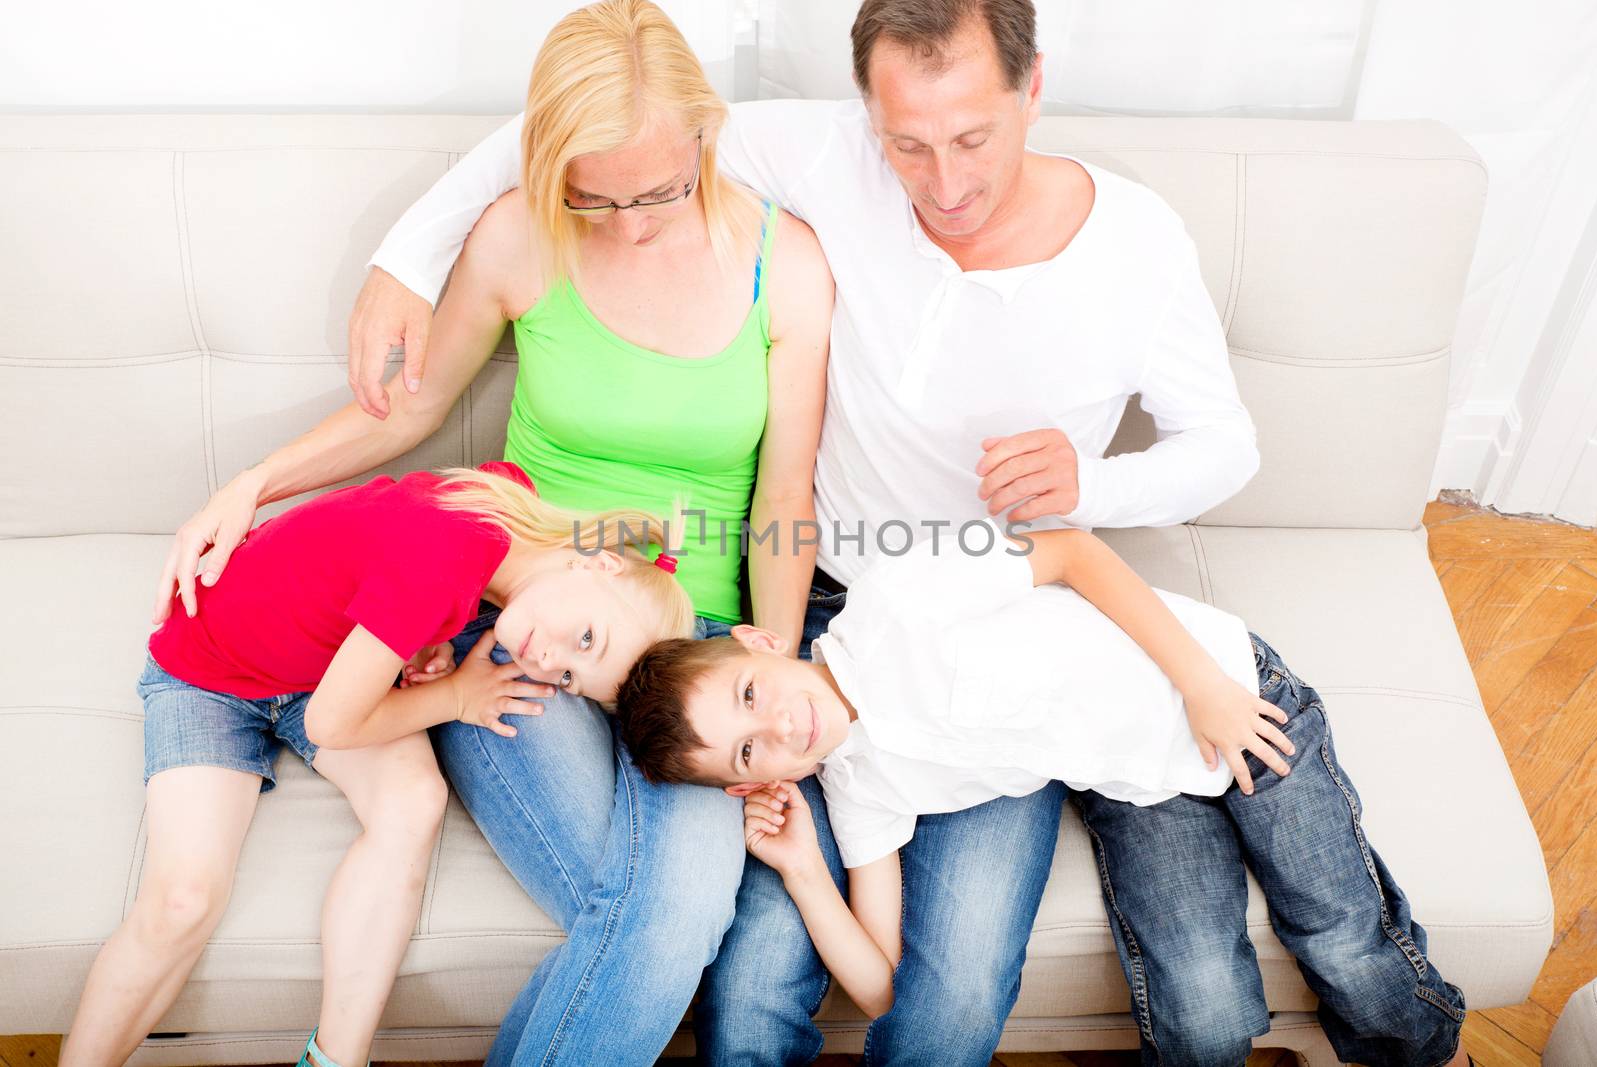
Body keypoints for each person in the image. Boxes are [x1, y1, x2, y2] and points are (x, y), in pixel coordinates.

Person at [349, 0, 1264, 1061]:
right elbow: (588, 130)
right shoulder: (812, 155)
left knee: (945, 989)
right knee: (745, 966)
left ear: (1033, 87)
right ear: (867, 111)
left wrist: (1089, 480)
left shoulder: (1135, 240)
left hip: (963, 603)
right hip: (793, 609)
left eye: (972, 137)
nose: (945, 181)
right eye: (906, 143)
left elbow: (1222, 450)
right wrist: (405, 256)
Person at [153, 1, 833, 1062]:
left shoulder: (782, 264)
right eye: (594, 198)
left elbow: (784, 492)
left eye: (661, 190)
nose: (632, 224)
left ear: (708, 133)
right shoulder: (521, 231)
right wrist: (254, 480)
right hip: (521, 612)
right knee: (675, 911)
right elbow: (413, 410)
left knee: (677, 904)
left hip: (688, 630)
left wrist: (770, 654)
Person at [614, 521, 1470, 1067]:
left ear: (765, 641)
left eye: (752, 696)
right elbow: (887, 993)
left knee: (1341, 933)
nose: (779, 729)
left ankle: (1428, 1049)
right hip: (1145, 790)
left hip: (1233, 697)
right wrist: (804, 869)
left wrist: (1203, 685)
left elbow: (1069, 549)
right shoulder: (860, 789)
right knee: (1203, 1017)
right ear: (756, 782)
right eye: (750, 750)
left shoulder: (893, 603)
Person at [62, 462, 691, 1067]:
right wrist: (453, 696)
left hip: (323, 671)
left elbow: (378, 577)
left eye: (570, 677)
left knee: (414, 801)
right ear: (601, 563)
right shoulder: (449, 553)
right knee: (183, 900)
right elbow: (332, 723)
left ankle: (336, 1056)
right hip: (209, 676)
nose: (547, 662)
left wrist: (425, 642)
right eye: (585, 637)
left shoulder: (507, 500)